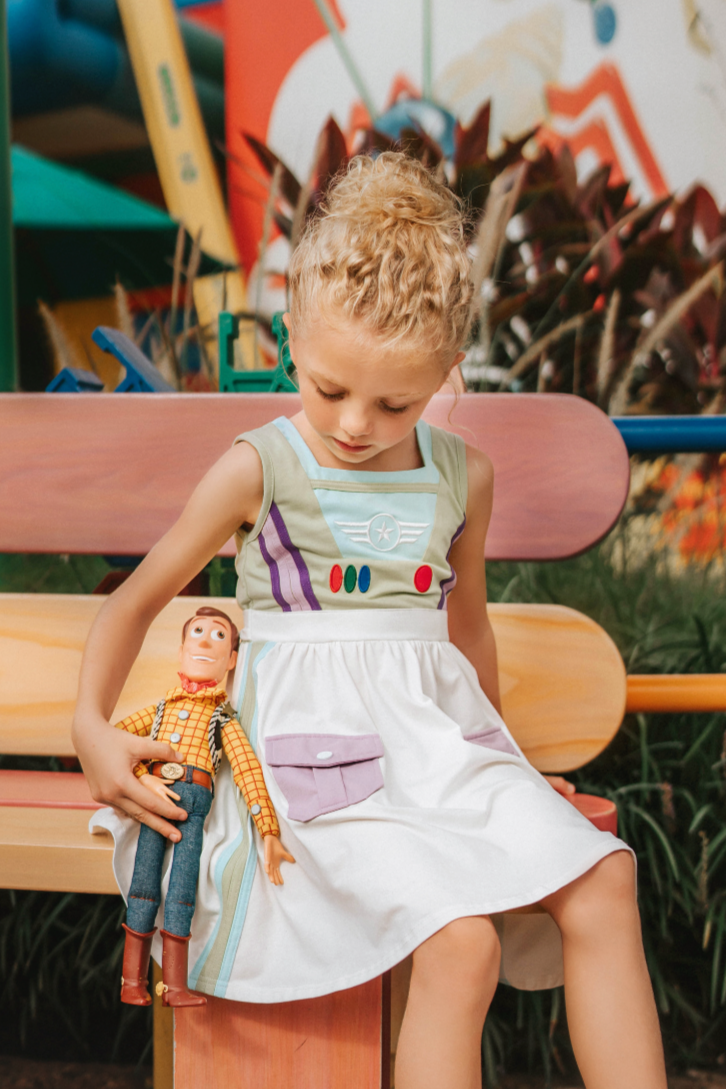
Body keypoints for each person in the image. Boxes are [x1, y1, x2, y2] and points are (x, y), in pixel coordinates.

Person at [74, 152, 667, 1089]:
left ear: (447, 370)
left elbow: (466, 635)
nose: (354, 423)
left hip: (441, 750)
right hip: (317, 764)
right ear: (294, 342)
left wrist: (508, 767)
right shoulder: (259, 468)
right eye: (328, 388)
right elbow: (138, 598)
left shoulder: (463, 475)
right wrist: (90, 733)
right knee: (461, 943)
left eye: (397, 401)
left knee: (606, 877)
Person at [115, 605, 294, 1009]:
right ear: (181, 649)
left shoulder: (222, 719)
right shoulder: (159, 710)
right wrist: (144, 777)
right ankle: (132, 980)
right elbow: (113, 743)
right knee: (144, 886)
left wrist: (268, 829)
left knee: (182, 891)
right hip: (154, 801)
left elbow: (248, 769)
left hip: (195, 807)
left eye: (217, 636)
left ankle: (176, 986)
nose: (203, 641)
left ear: (232, 660)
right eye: (197, 631)